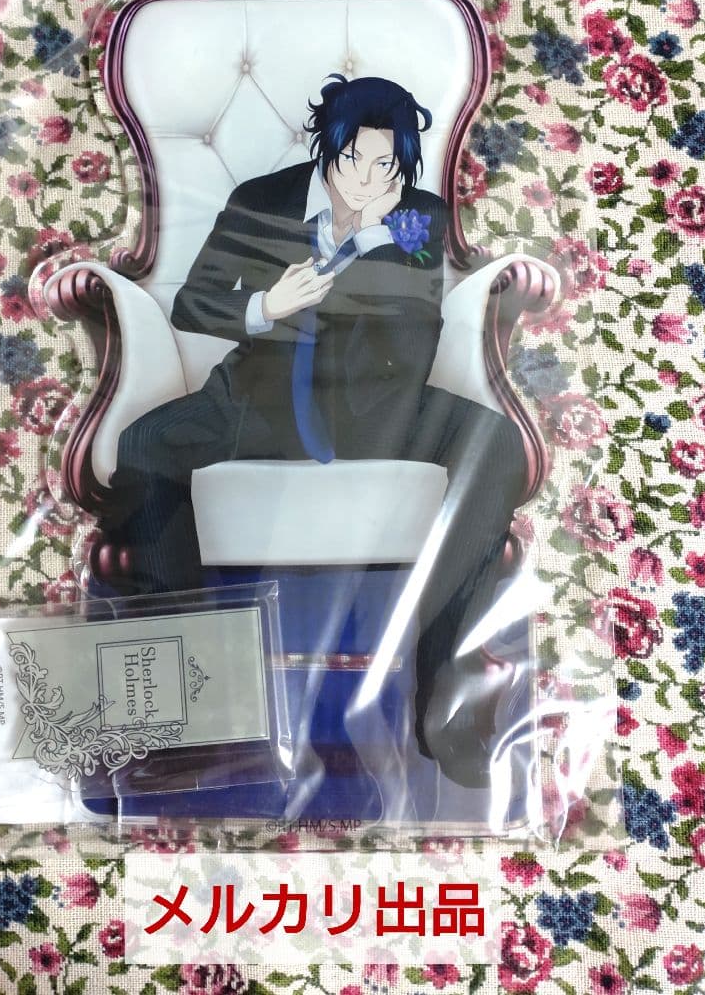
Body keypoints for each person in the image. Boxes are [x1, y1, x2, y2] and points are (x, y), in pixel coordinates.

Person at [110, 74, 527, 786]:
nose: (366, 178)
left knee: (498, 447)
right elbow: (195, 305)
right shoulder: (262, 201)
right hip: (261, 393)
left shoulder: (416, 215)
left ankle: (443, 696)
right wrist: (265, 306)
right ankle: (184, 716)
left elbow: (412, 335)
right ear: (325, 148)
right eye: (352, 159)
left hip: (380, 403)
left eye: (385, 164)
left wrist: (371, 240)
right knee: (144, 445)